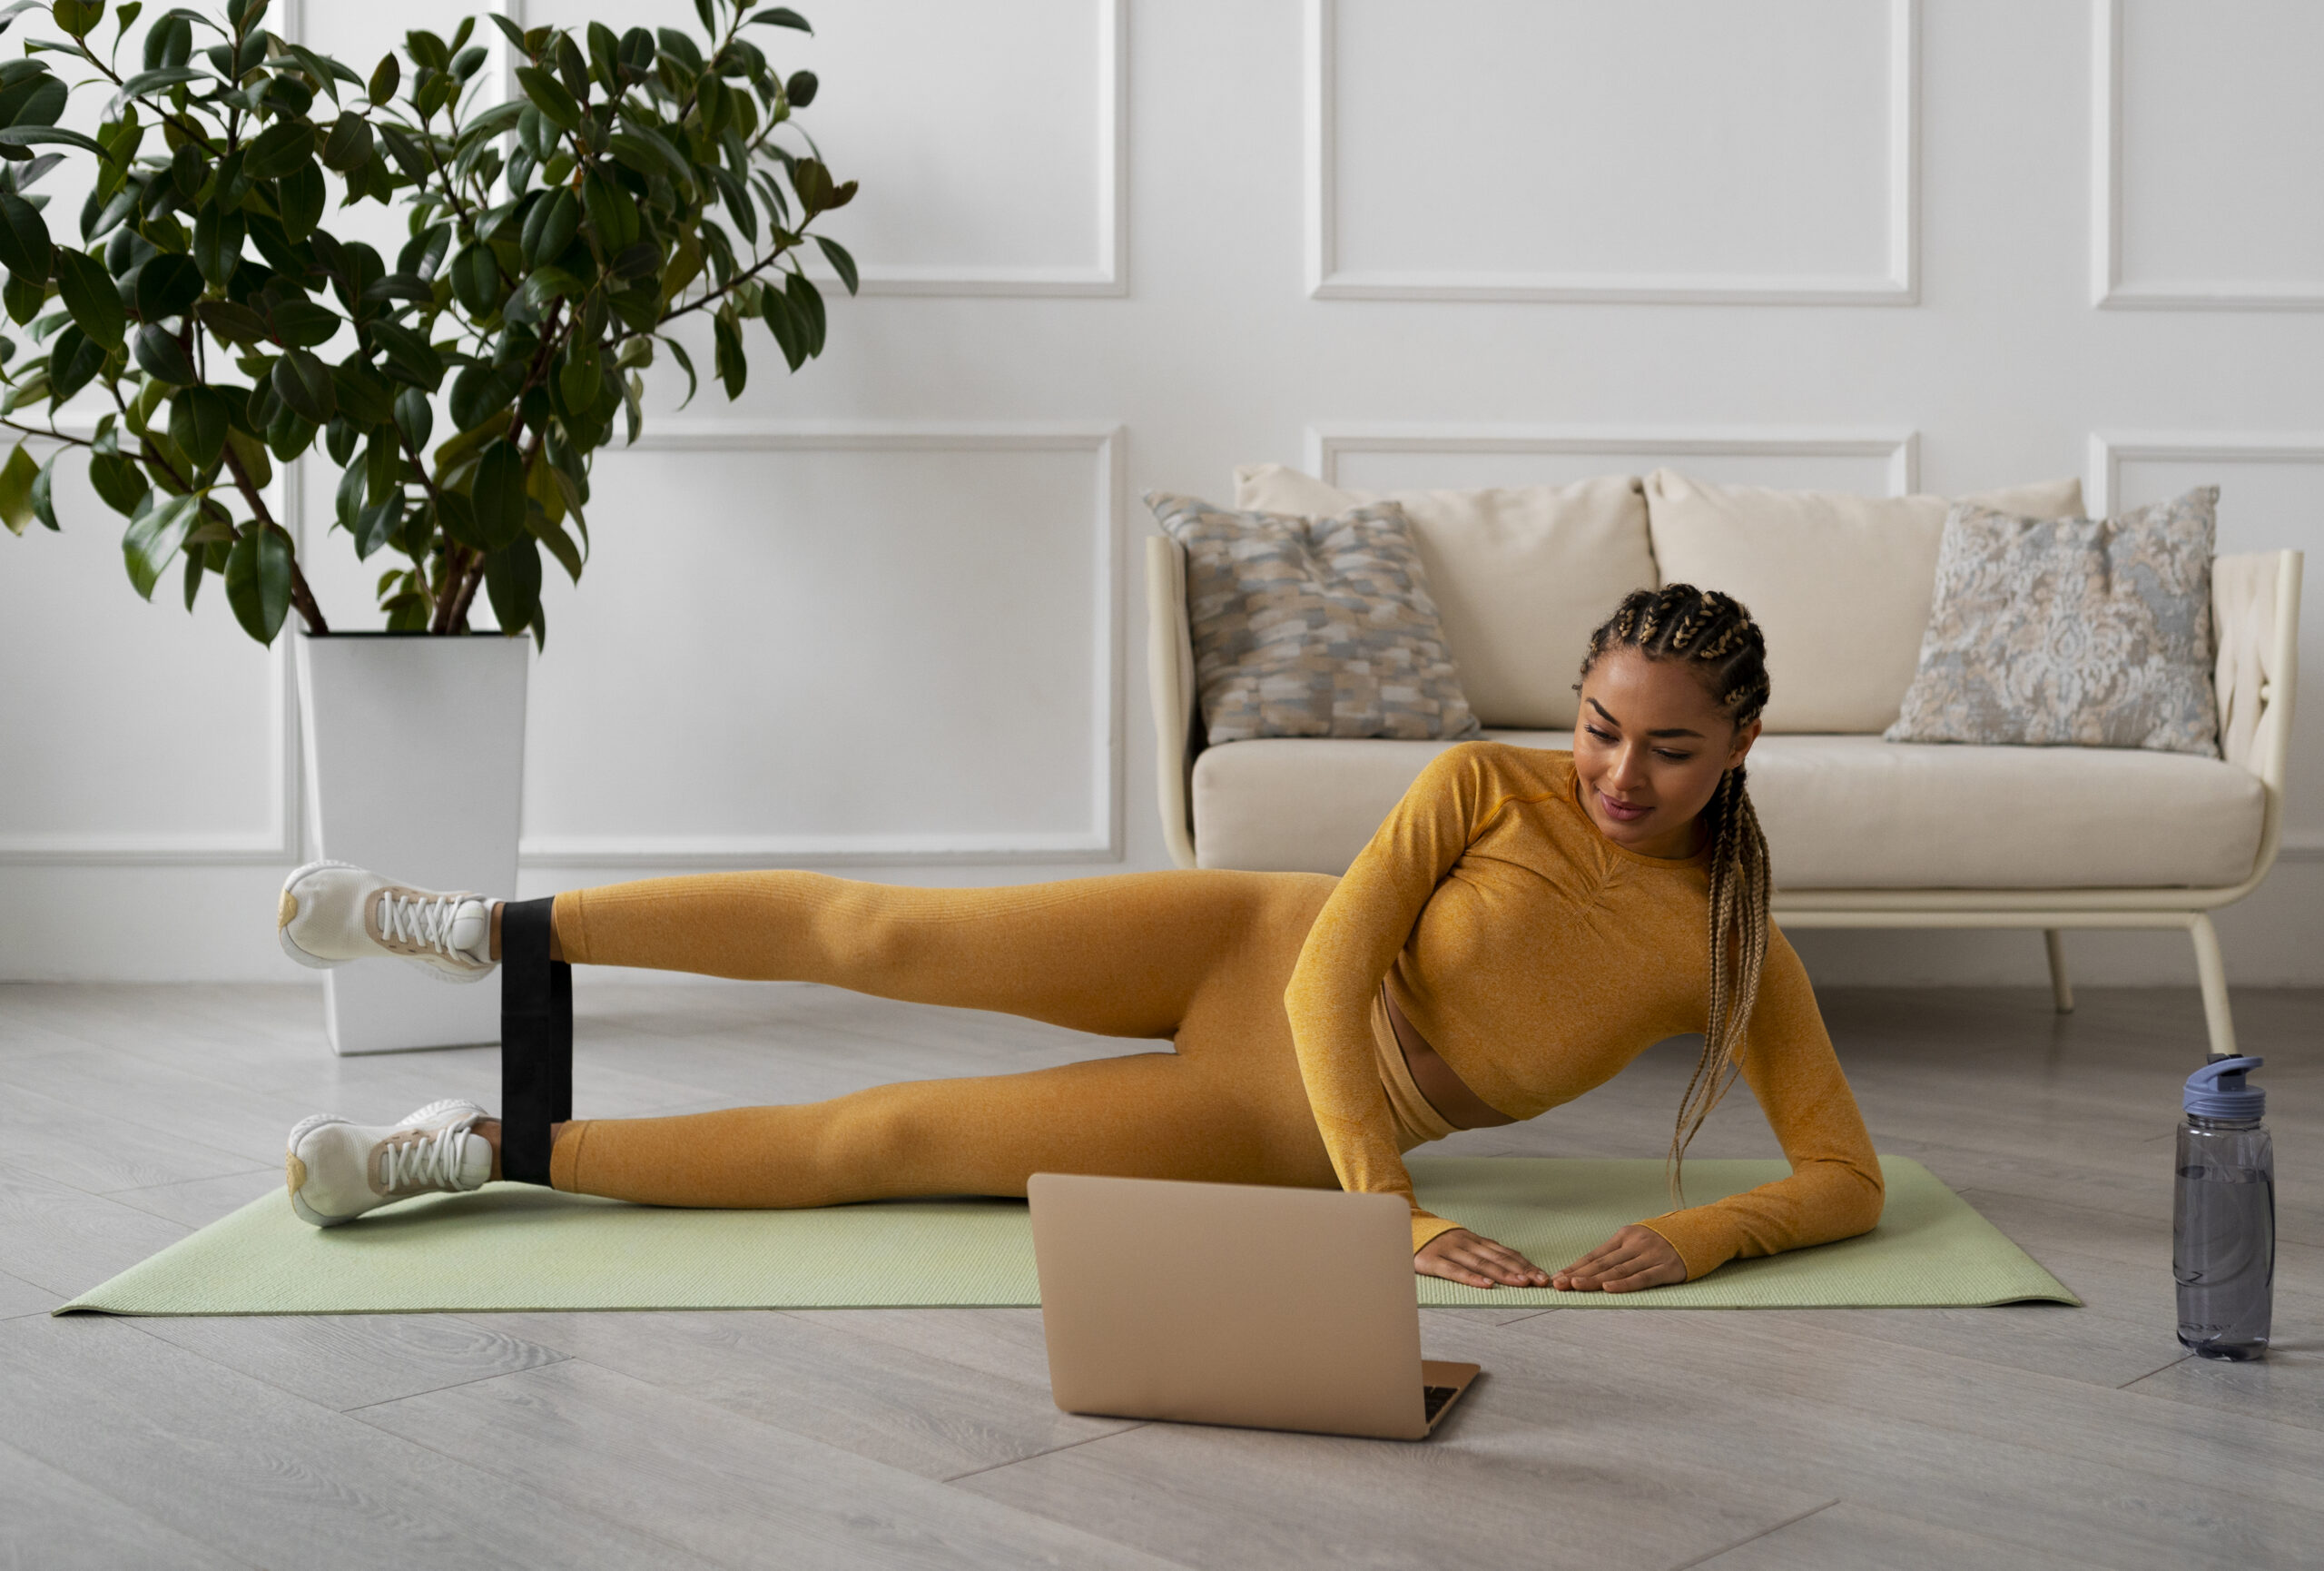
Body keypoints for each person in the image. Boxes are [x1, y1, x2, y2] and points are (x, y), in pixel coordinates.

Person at [275, 583, 1883, 1292]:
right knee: (880, 931)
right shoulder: (1483, 782)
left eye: (1667, 751)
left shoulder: (1730, 948)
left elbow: (1843, 1177)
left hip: (1270, 1124)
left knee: (886, 1136)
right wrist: (1384, 1215)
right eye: (1601, 726)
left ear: (1740, 745)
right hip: (1243, 949)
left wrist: (1698, 1235)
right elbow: (1332, 970)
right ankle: (471, 925)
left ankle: (478, 1146)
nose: (1615, 774)